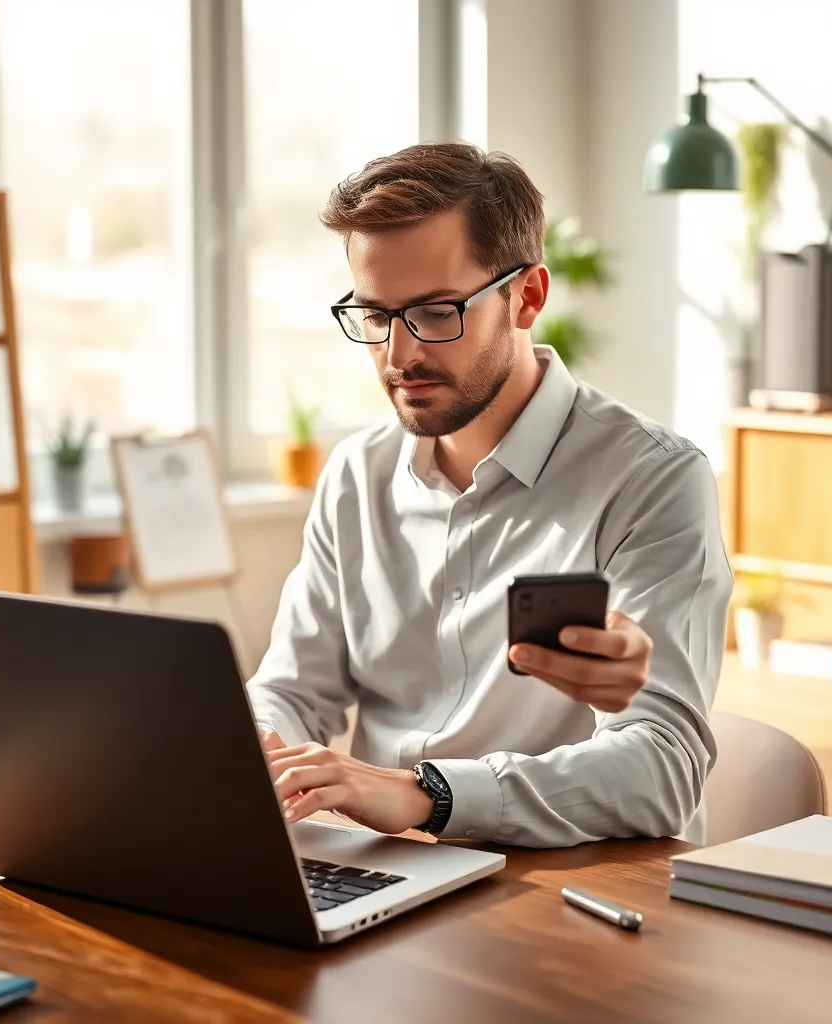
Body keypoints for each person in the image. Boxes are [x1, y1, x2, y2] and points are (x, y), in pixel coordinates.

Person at [246, 142, 732, 848]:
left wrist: (427, 795)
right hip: (387, 870)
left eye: (435, 312)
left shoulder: (650, 480)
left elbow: (663, 766)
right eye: (376, 316)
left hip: (566, 886)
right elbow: (292, 690)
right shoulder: (356, 475)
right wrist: (259, 755)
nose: (399, 356)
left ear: (526, 297)